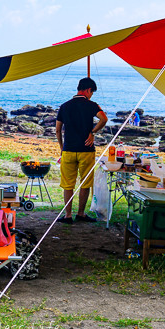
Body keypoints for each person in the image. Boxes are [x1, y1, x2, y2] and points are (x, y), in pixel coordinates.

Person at [55, 77, 108, 224]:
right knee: (85, 183)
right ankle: (81, 213)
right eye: (92, 92)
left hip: (68, 150)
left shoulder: (64, 106)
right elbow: (104, 119)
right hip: (86, 150)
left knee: (68, 184)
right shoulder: (92, 105)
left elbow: (58, 130)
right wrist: (93, 132)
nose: (91, 95)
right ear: (88, 90)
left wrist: (62, 148)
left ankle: (67, 215)